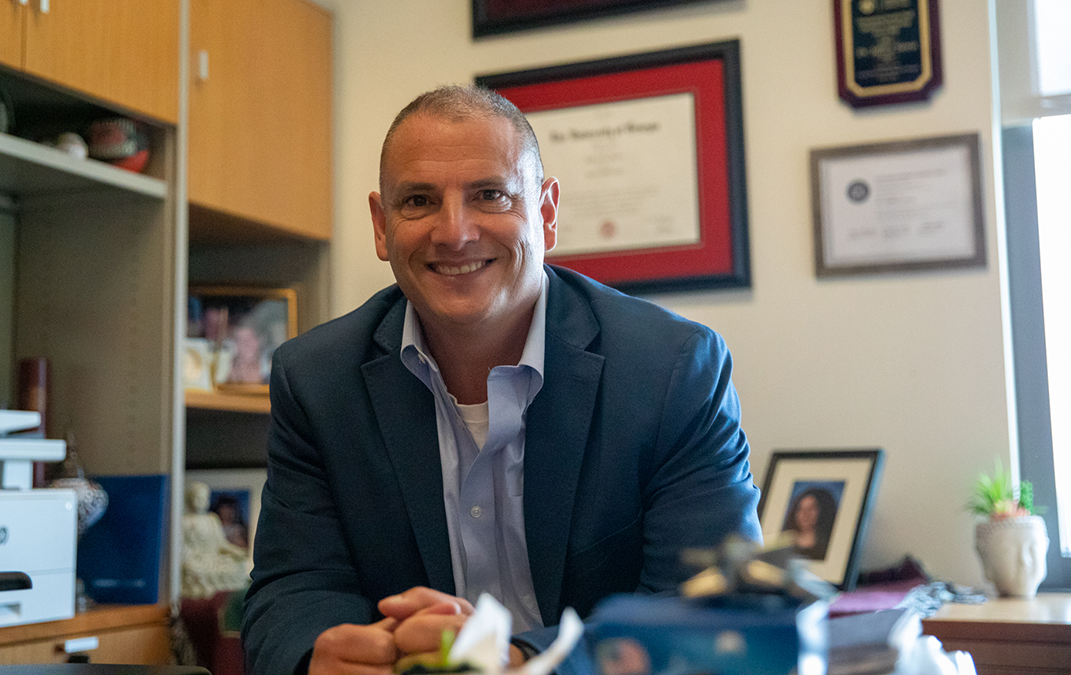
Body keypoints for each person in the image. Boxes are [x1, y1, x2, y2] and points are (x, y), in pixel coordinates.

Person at [242, 85, 761, 675]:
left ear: (545, 211)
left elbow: (710, 608)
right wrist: (319, 655)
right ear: (382, 226)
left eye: (490, 195)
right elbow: (292, 591)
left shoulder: (672, 369)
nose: (454, 232)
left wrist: (520, 659)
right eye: (418, 201)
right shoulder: (315, 381)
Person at [782, 488, 838, 560]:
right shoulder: (784, 543)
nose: (805, 514)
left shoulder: (829, 546)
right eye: (801, 509)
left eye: (811, 509)